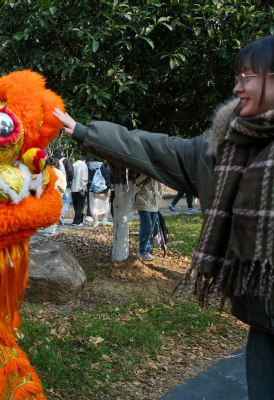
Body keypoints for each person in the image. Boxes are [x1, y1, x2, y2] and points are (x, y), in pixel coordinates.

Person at [54, 35, 274, 399]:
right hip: (263, 324)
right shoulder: (224, 145)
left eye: (247, 77)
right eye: (237, 76)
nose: (237, 87)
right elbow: (156, 149)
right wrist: (84, 132)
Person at [132, 176, 163, 261]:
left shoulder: (157, 172)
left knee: (151, 227)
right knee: (147, 225)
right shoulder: (141, 171)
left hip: (154, 201)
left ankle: (146, 246)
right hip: (142, 200)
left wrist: (160, 199)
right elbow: (135, 183)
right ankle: (144, 250)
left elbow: (160, 186)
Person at [87, 155, 112, 227]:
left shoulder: (88, 166)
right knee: (105, 203)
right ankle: (104, 220)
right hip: (102, 188)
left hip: (92, 189)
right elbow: (106, 177)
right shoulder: (101, 166)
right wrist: (109, 187)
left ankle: (95, 221)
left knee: (93, 205)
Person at [44, 156, 66, 235]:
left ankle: (48, 230)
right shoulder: (59, 172)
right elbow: (63, 185)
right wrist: (61, 193)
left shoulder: (44, 172)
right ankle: (50, 231)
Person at [53, 147, 73, 224]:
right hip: (64, 184)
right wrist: (70, 179)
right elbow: (70, 171)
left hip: (53, 184)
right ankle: (60, 215)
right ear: (62, 153)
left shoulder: (51, 160)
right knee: (66, 200)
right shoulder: (65, 160)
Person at [71, 155, 88, 226]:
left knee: (76, 205)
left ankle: (80, 220)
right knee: (80, 205)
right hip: (80, 188)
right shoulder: (83, 165)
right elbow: (84, 178)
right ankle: (77, 221)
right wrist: (84, 187)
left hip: (73, 188)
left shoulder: (73, 165)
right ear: (84, 160)